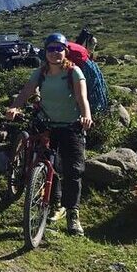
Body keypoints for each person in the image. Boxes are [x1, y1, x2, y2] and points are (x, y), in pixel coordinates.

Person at [6, 32, 93, 236]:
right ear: (45, 52)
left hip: (71, 126)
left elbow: (82, 99)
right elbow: (27, 92)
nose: (55, 53)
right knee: (47, 165)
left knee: (73, 170)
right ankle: (55, 204)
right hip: (46, 125)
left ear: (66, 51)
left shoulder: (74, 72)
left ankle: (73, 213)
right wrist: (14, 107)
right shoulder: (41, 72)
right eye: (51, 49)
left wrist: (86, 116)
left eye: (59, 49)